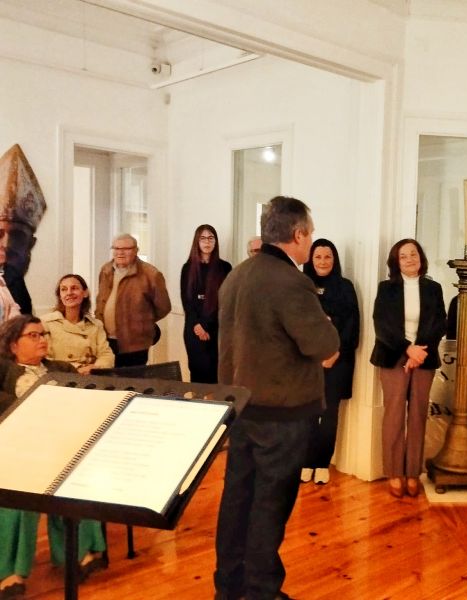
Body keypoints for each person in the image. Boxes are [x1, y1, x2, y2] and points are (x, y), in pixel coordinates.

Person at [214, 196, 339, 600]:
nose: (311, 242)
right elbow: (325, 346)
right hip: (281, 414)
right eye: (310, 234)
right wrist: (326, 324)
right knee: (270, 503)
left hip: (241, 406)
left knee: (238, 499)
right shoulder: (291, 282)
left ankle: (229, 586)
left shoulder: (238, 274)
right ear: (298, 234)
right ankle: (261, 591)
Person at [0, 316, 106, 599]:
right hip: (17, 449)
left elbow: (86, 402)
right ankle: (9, 571)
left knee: (77, 479)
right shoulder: (4, 372)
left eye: (43, 334)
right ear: (13, 345)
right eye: (33, 335)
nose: (42, 340)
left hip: (61, 445)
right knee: (18, 494)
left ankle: (78, 553)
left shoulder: (61, 369)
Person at [370, 238, 446, 499]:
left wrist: (419, 351)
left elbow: (440, 323)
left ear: (421, 257)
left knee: (417, 415)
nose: (410, 259)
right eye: (403, 256)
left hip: (424, 356)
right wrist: (407, 349)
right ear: (396, 262)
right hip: (393, 356)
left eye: (413, 254)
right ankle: (394, 472)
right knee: (393, 414)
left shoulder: (433, 288)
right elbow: (382, 325)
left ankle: (413, 472)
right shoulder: (386, 288)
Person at [300, 238, 360, 485]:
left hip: (338, 360)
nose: (323, 261)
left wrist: (334, 353)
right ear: (310, 260)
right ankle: (307, 461)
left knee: (329, 413)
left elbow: (352, 326)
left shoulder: (345, 287)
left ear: (334, 260)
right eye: (318, 257)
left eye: (327, 257)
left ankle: (322, 463)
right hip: (307, 362)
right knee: (307, 413)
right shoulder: (301, 286)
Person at [95, 233, 172, 367]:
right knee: (105, 377)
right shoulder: (105, 270)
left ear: (136, 250)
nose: (120, 253)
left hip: (135, 344)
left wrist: (142, 322)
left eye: (126, 249)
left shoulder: (151, 274)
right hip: (105, 340)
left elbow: (164, 307)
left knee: (131, 378)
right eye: (116, 248)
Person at [180, 225, 232, 383]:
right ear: (197, 241)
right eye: (202, 238)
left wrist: (206, 324)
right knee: (197, 375)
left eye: (210, 238)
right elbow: (187, 301)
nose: (207, 242)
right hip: (193, 329)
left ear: (215, 241)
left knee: (216, 376)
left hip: (216, 329)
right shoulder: (188, 268)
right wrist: (197, 325)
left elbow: (225, 301)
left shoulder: (225, 267)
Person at [0, 144, 46, 315]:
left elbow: (25, 314)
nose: (6, 245)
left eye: (17, 236)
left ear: (30, 244)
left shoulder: (14, 277)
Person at [40, 274, 114, 374]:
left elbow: (106, 355)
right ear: (60, 296)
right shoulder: (46, 323)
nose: (69, 293)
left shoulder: (96, 325)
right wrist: (77, 369)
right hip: (61, 377)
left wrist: (95, 368)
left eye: (74, 288)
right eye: (64, 289)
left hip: (91, 376)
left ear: (85, 293)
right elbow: (45, 359)